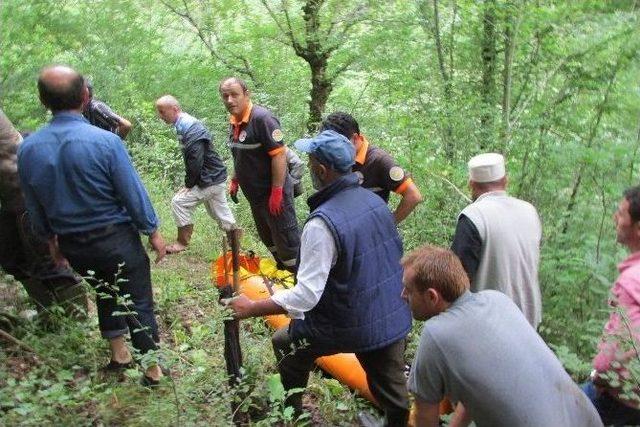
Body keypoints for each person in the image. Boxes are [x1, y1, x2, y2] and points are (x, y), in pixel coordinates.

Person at [226, 130, 412, 426]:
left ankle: (293, 412)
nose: (309, 167)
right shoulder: (375, 201)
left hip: (350, 321)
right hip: (392, 311)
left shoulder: (322, 224)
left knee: (286, 341)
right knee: (394, 393)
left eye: (311, 162)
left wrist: (252, 308)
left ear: (322, 171)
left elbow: (306, 295)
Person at [17, 65, 166, 385]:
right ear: (85, 96)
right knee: (138, 301)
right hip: (116, 239)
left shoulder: (28, 148)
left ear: (43, 101)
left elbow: (34, 204)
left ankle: (119, 354)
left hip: (73, 244)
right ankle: (152, 371)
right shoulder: (106, 142)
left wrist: (52, 241)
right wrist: (152, 230)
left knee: (103, 289)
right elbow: (132, 192)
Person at [402, 245, 602, 427]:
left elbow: (425, 421)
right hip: (587, 419)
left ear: (431, 296)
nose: (402, 295)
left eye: (409, 290)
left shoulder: (436, 334)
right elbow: (478, 388)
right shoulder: (497, 300)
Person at [0, 109, 85, 316]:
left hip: (22, 191)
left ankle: (77, 319)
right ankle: (47, 313)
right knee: (12, 260)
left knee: (47, 259)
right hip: (6, 201)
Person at [451, 152, 542, 327]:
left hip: (491, 324)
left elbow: (456, 280)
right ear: (506, 180)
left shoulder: (474, 216)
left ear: (471, 184)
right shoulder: (529, 211)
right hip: (529, 321)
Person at [219, 77, 300, 272]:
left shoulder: (263, 119)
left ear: (247, 95)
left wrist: (278, 191)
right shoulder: (234, 121)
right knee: (268, 238)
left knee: (287, 241)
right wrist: (235, 179)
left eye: (234, 95)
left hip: (273, 194)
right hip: (255, 196)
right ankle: (283, 278)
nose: (230, 100)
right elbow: (240, 154)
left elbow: (279, 155)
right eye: (225, 96)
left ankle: (300, 282)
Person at [582, 186, 640, 425]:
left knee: (554, 410)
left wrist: (599, 373)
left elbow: (623, 346)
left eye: (621, 213)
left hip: (621, 399)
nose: (615, 218)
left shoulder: (631, 281)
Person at [155, 95, 237, 253]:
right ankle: (235, 247)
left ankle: (182, 243)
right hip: (215, 177)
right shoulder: (184, 124)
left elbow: (195, 160)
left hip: (210, 179)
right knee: (220, 213)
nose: (160, 116)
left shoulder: (191, 127)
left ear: (175, 109)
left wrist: (189, 184)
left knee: (179, 202)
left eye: (162, 112)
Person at [320, 111, 423, 224]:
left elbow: (413, 195)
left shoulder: (379, 160)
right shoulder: (332, 158)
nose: (333, 150)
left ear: (355, 138)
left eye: (338, 145)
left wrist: (389, 225)